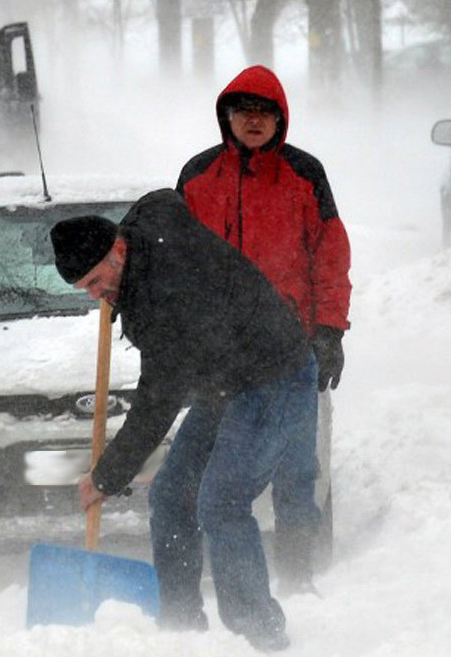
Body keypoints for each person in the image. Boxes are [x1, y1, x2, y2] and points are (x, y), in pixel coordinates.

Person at [50, 189, 315, 652]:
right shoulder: (142, 232)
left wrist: (106, 477)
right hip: (227, 381)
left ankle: (262, 636)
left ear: (117, 251)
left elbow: (158, 401)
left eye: (96, 282)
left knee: (221, 501)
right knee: (173, 494)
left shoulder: (167, 297)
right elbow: (162, 198)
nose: (96, 296)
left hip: (275, 376)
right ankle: (179, 629)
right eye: (86, 290)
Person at [175, 65, 352, 595]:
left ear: (280, 119)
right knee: (204, 473)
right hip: (220, 358)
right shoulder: (198, 177)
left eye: (264, 112)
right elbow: (178, 263)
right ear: (226, 117)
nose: (253, 121)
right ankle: (200, 578)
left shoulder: (304, 174)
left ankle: (299, 579)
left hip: (291, 355)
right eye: (243, 111)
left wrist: (329, 332)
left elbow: (330, 257)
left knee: (295, 471)